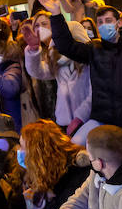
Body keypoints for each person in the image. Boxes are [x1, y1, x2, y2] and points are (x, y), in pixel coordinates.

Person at [39, 0, 122, 141]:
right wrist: (56, 15)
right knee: (79, 144)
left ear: (119, 23)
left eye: (108, 21)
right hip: (104, 121)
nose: (104, 25)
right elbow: (66, 46)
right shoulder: (94, 49)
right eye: (100, 22)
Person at [22, 11, 91, 144]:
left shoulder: (84, 57)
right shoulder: (54, 57)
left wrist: (80, 116)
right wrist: (33, 50)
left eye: (44, 24)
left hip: (86, 118)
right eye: (36, 25)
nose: (40, 28)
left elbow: (93, 92)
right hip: (63, 120)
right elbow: (38, 72)